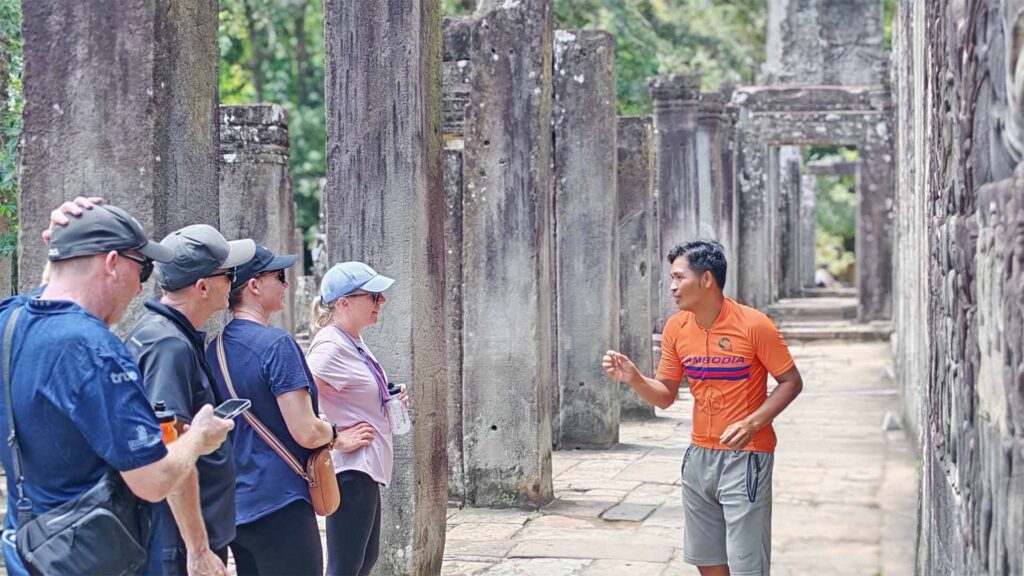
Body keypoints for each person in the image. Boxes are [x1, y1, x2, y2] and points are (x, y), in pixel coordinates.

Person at [0, 202, 234, 576]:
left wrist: (67, 237)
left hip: (31, 552)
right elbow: (153, 481)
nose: (143, 285)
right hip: (94, 557)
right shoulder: (94, 350)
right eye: (142, 268)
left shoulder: (9, 321)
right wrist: (199, 439)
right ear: (111, 263)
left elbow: (55, 282)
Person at [603, 240, 803, 576]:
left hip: (747, 456)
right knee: (707, 561)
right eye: (671, 278)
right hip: (698, 457)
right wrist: (635, 379)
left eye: (679, 278)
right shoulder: (676, 327)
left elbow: (791, 382)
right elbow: (666, 394)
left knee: (746, 565)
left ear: (707, 279)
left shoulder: (754, 325)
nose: (672, 286)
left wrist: (752, 423)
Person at [125, 225, 256, 576]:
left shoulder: (162, 333)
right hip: (177, 539)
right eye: (229, 274)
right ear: (203, 286)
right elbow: (169, 451)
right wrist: (198, 549)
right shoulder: (169, 346)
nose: (234, 282)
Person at [204, 245, 336, 575]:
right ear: (254, 285)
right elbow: (305, 431)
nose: (286, 284)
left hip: (237, 502)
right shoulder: (276, 345)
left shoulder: (212, 349)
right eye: (279, 276)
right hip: (280, 500)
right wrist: (332, 431)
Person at [305, 261, 406, 576]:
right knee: (346, 566)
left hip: (366, 465)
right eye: (373, 295)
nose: (381, 301)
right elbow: (296, 401)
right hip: (350, 468)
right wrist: (335, 438)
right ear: (343, 303)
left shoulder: (352, 341)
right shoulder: (329, 346)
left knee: (365, 560)